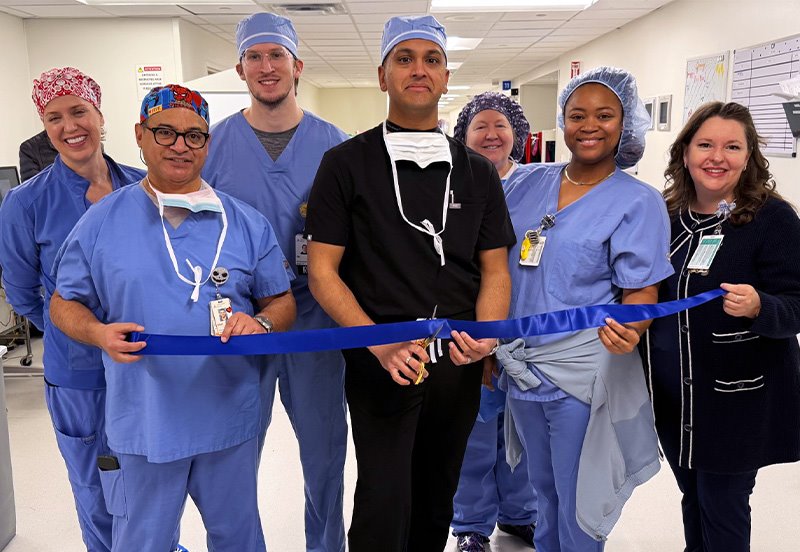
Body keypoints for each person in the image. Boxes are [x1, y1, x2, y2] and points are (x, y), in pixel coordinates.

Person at [49, 84, 296, 551]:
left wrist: (260, 324)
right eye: (165, 132)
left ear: (207, 143)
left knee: (238, 537)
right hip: (146, 419)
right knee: (144, 540)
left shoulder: (244, 222)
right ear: (140, 136)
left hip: (228, 415)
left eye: (195, 136)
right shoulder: (103, 221)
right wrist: (99, 333)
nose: (180, 146)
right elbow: (64, 303)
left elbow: (281, 302)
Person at [305, 15, 516, 552]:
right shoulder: (344, 165)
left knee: (437, 489)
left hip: (458, 359)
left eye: (431, 60)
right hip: (381, 358)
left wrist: (486, 335)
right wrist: (377, 343)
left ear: (446, 77)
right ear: (382, 75)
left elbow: (494, 268)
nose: (418, 70)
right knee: (383, 493)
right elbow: (322, 270)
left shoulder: (478, 172)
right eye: (404, 58)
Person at [497, 66, 673, 552]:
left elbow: (641, 291)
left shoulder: (637, 202)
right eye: (577, 115)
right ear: (562, 122)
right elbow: (495, 264)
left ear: (625, 125)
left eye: (604, 115)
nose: (588, 125)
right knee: (544, 490)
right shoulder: (526, 182)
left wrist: (632, 329)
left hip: (583, 370)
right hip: (521, 363)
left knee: (579, 500)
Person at [202, 13, 349, 551]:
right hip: (242, 324)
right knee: (233, 457)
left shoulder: (337, 145)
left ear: (296, 65)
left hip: (315, 319)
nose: (267, 67)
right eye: (255, 57)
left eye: (277, 56)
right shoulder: (211, 147)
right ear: (241, 68)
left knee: (325, 453)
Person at [642, 101, 800, 552]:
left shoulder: (772, 219)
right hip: (673, 398)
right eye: (705, 144)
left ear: (748, 156)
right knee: (692, 497)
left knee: (723, 505)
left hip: (735, 400)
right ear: (685, 152)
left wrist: (760, 306)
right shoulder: (666, 216)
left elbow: (797, 302)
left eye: (732, 146)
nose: (717, 157)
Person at [0, 66, 144, 552]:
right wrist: (74, 332)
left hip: (147, 366)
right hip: (79, 376)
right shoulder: (26, 203)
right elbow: (21, 293)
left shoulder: (144, 187)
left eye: (79, 111)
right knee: (95, 486)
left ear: (100, 115)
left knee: (149, 483)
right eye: (53, 117)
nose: (69, 126)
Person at [450, 91, 537, 552]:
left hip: (526, 330)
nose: (491, 134)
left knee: (524, 427)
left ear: (517, 135)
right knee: (476, 432)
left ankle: (521, 515)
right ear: (463, 136)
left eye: (500, 125)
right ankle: (471, 524)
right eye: (480, 125)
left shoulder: (541, 184)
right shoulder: (452, 184)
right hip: (473, 329)